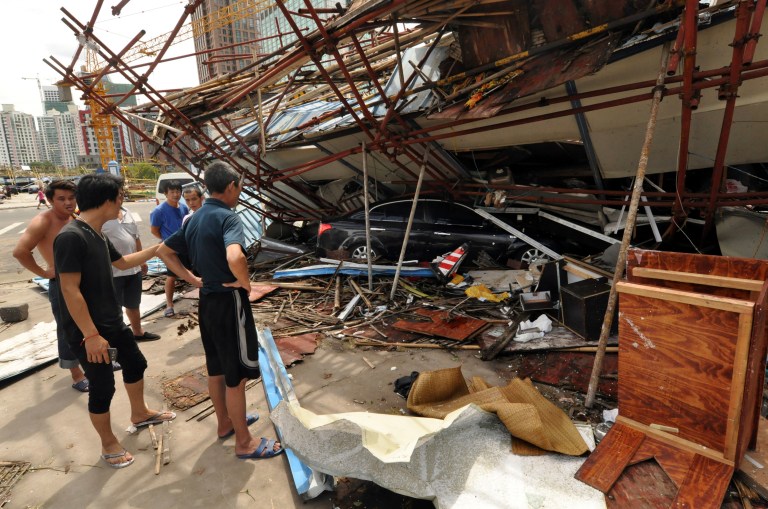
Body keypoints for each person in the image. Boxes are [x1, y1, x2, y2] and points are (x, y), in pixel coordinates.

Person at [158, 162, 283, 460]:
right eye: (238, 187)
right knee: (236, 376)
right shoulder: (228, 217)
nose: (238, 192)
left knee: (216, 369)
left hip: (207, 303)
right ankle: (244, 442)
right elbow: (235, 254)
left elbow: (163, 251)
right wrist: (246, 284)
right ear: (231, 186)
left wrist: (191, 279)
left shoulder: (194, 218)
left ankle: (225, 424)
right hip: (229, 303)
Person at [54, 173, 178, 469]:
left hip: (111, 321)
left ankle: (139, 413)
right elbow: (69, 290)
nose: (122, 202)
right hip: (89, 330)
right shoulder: (71, 237)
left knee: (135, 363)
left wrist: (158, 248)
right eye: (120, 197)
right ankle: (108, 443)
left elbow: (123, 263)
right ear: (108, 200)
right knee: (102, 385)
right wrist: (91, 335)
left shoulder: (97, 233)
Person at [13, 179, 89, 392]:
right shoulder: (43, 221)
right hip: (63, 283)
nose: (68, 203)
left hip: (85, 281)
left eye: (71, 198)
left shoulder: (74, 216)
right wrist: (45, 272)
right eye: (61, 199)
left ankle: (98, 362)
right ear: (49, 200)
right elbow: (20, 252)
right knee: (68, 329)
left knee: (92, 322)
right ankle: (76, 374)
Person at [102, 205, 162, 342]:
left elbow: (136, 238)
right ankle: (116, 338)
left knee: (133, 303)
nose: (120, 197)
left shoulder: (127, 212)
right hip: (112, 271)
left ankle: (137, 332)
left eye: (121, 194)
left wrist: (142, 260)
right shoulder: (102, 215)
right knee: (112, 308)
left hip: (133, 269)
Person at [150, 180, 188, 317]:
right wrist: (168, 242)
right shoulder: (159, 211)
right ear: (165, 193)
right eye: (172, 192)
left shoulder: (184, 207)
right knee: (171, 277)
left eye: (178, 191)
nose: (176, 194)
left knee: (195, 273)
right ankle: (169, 305)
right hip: (171, 250)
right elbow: (154, 230)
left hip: (186, 247)